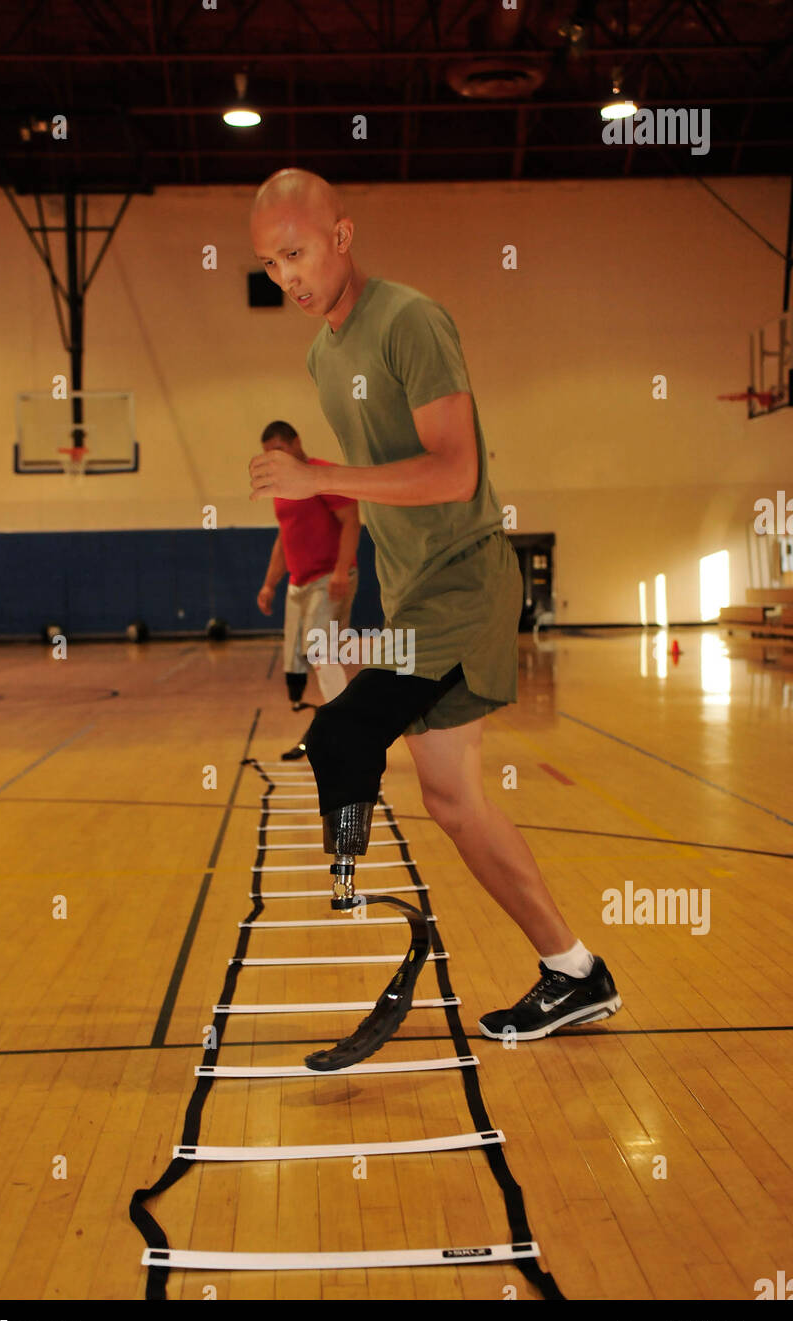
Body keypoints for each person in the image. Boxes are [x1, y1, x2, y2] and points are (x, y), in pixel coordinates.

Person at [248, 168, 621, 1043]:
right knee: (453, 802)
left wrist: (321, 481)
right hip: (412, 586)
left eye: (296, 254)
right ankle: (575, 972)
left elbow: (454, 470)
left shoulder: (409, 320)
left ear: (341, 236)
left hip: (466, 575)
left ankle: (345, 849)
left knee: (348, 730)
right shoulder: (321, 352)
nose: (288, 278)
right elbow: (388, 479)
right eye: (270, 265)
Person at [256, 420, 360, 756]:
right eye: (268, 453)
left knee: (322, 653)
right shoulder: (282, 488)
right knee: (298, 662)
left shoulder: (321, 475)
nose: (274, 458)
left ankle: (348, 734)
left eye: (280, 450)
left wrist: (341, 571)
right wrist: (270, 583)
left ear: (296, 442)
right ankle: (326, 730)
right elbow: (283, 538)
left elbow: (351, 521)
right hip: (297, 584)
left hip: (328, 579)